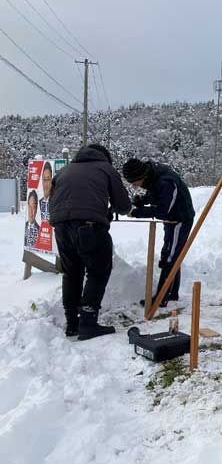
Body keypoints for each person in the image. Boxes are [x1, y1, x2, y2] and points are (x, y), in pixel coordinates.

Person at [49, 144, 131, 340]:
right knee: (98, 270)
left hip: (60, 228)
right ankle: (88, 321)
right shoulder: (106, 168)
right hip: (89, 228)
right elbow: (123, 206)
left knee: (71, 273)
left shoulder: (65, 171)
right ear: (105, 158)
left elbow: (53, 202)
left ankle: (72, 324)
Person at [122, 158, 194, 308]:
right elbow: (156, 194)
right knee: (169, 253)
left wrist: (137, 213)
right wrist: (142, 200)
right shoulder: (152, 175)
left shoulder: (166, 181)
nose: (134, 186)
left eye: (135, 182)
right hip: (171, 219)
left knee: (171, 256)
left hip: (180, 219)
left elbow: (163, 209)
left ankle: (161, 297)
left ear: (141, 176)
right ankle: (172, 294)